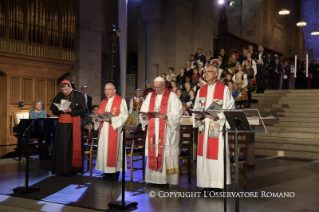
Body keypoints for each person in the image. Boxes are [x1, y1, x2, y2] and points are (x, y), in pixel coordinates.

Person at [193, 64, 234, 192]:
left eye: (209, 72)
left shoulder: (224, 90)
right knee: (204, 154)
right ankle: (206, 183)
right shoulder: (201, 90)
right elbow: (197, 107)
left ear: (216, 74)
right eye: (205, 72)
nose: (206, 74)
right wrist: (198, 115)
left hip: (217, 127)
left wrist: (219, 115)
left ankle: (217, 185)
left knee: (216, 155)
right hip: (204, 128)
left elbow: (230, 109)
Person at [139, 77, 183, 188]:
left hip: (167, 131)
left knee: (166, 154)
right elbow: (143, 109)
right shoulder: (150, 96)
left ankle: (166, 181)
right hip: (153, 131)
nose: (156, 89)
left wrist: (167, 116)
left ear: (164, 86)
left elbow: (178, 113)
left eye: (158, 87)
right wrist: (143, 115)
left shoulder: (172, 97)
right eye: (155, 87)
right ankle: (153, 180)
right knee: (153, 151)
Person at [50, 79, 88, 175]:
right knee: (61, 146)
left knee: (72, 145)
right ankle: (60, 169)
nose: (64, 92)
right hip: (61, 124)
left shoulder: (79, 95)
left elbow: (84, 110)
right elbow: (53, 109)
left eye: (66, 89)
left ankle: (73, 169)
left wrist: (71, 110)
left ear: (70, 87)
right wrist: (58, 110)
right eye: (63, 90)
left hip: (73, 124)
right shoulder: (59, 95)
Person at [95, 83, 128, 181]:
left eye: (109, 89)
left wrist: (112, 120)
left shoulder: (120, 101)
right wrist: (97, 119)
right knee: (104, 151)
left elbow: (124, 116)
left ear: (114, 90)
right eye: (105, 89)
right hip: (104, 130)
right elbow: (99, 114)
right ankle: (106, 173)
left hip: (114, 129)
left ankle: (114, 174)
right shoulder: (103, 101)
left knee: (113, 151)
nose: (107, 91)